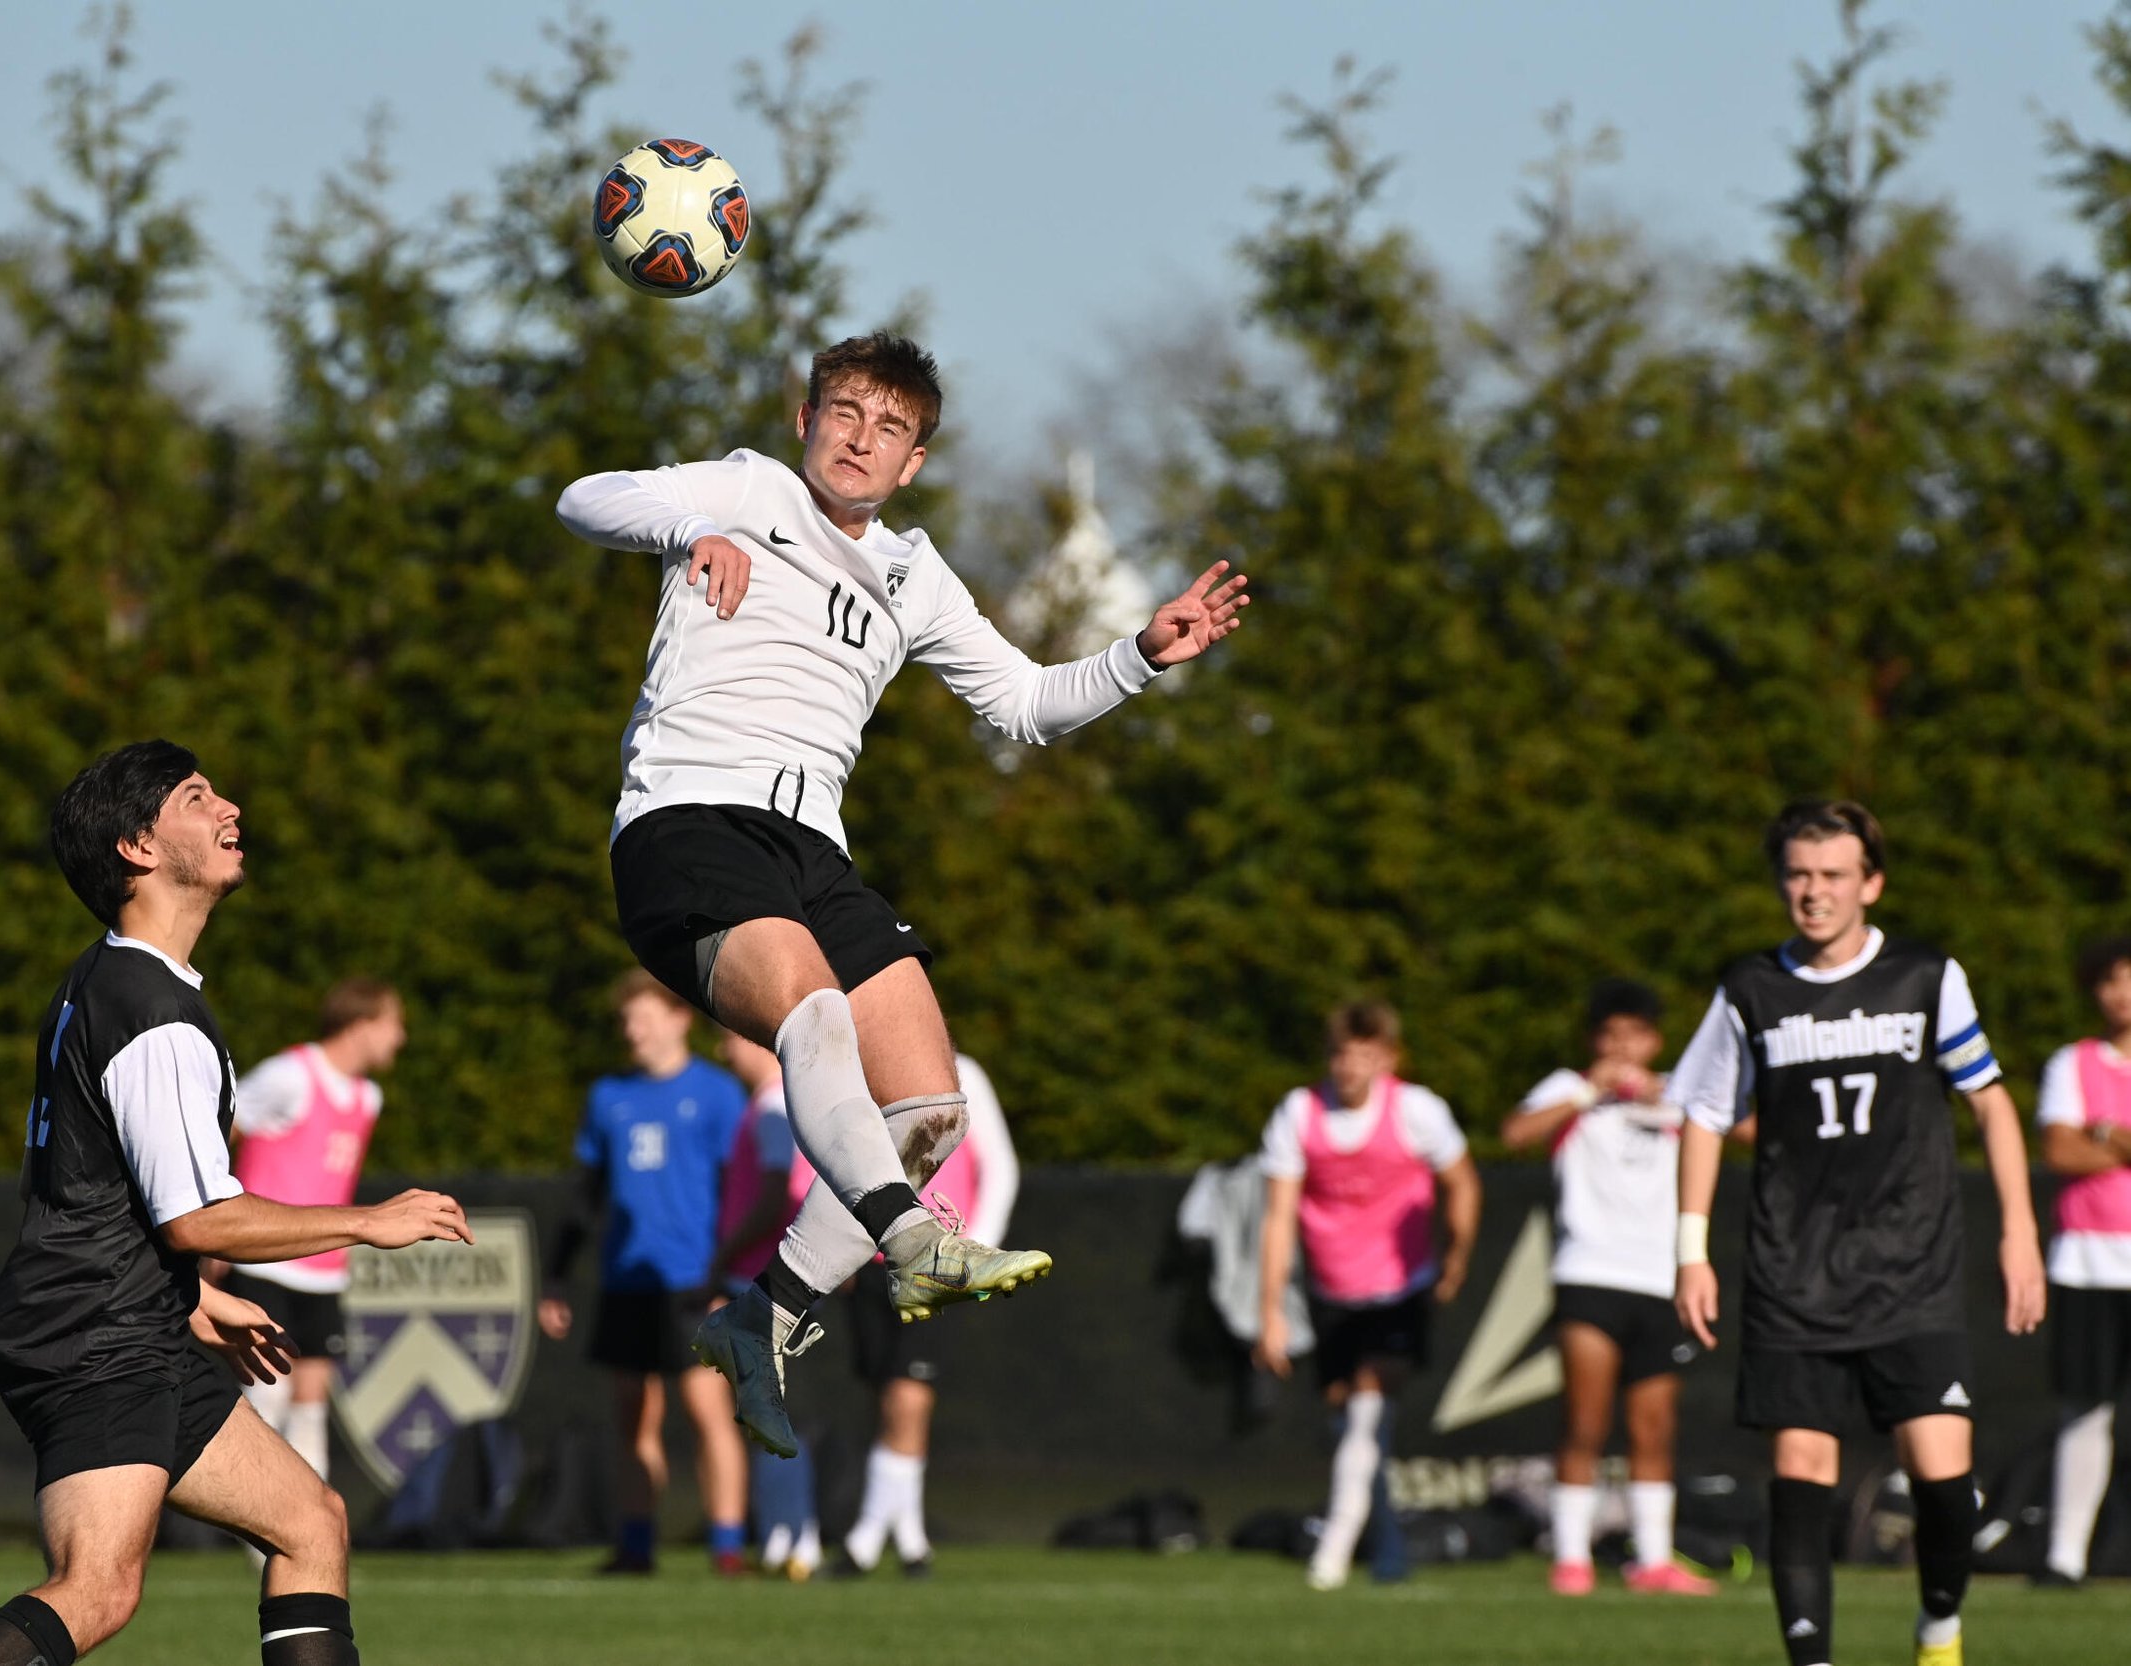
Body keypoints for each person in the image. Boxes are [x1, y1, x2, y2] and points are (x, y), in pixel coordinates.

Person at [555, 331, 1248, 1459]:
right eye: (844, 411)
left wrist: (1140, 654)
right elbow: (583, 501)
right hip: (686, 821)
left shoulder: (914, 574)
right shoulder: (749, 488)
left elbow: (1022, 702)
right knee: (812, 1014)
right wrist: (702, 526)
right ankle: (911, 1239)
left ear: (913, 461)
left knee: (929, 1112)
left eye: (889, 427)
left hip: (811, 850)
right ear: (806, 417)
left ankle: (759, 1316)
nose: (860, 437)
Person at [0, 742, 469, 1666]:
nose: (231, 808)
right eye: (197, 797)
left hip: (123, 1323)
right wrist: (366, 1221)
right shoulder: (151, 1012)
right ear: (138, 846)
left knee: (311, 1520)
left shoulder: (110, 984)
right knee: (98, 1588)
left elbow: (90, 1189)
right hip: (96, 1339)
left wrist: (189, 1297)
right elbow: (198, 1219)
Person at [1668, 799, 2044, 1666]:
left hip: (1912, 1268)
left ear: (1870, 883)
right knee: (1801, 1477)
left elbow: (1988, 1100)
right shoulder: (1749, 990)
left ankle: (1939, 1629)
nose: (1814, 892)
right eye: (1798, 874)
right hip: (1791, 1273)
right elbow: (1701, 1116)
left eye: (1834, 875)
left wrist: (2019, 1231)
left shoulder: (1924, 976)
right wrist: (1691, 1251)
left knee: (1946, 1485)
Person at [1502, 979, 1724, 1597]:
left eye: (1635, 1034)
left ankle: (1652, 1560)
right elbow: (1516, 1133)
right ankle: (1571, 1557)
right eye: (1611, 1034)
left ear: (1655, 1040)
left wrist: (1674, 1096)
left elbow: (1749, 1128)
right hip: (1590, 1274)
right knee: (1586, 1422)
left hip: (1660, 1281)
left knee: (1654, 1428)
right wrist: (1589, 1091)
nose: (1624, 1046)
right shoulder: (1569, 1089)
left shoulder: (1678, 1093)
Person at [1253, 1000, 1482, 1590]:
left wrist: (1454, 1257)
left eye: (1364, 1055)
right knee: (1349, 1422)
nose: (1350, 1067)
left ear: (1387, 1059)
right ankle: (1389, 1550)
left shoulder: (1418, 1110)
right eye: (1341, 1054)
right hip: (1332, 1293)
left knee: (1366, 1416)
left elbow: (1462, 1183)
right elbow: (1278, 1218)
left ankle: (1332, 1555)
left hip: (1399, 1290)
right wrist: (1269, 1312)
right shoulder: (1298, 1113)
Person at [539, 971, 751, 1574]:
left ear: (679, 1019)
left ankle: (728, 1547)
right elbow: (588, 1196)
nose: (633, 1029)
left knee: (708, 1410)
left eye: (645, 1016)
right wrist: (556, 1277)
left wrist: (726, 1279)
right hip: (624, 1281)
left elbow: (738, 1193)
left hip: (694, 1281)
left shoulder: (717, 1095)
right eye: (627, 1019)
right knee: (633, 1415)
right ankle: (637, 1546)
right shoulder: (609, 1096)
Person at [834, 1052, 1020, 1577]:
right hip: (870, 1262)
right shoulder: (851, 1072)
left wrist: (971, 1253)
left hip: (935, 1258)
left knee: (908, 1397)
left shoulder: (962, 1073)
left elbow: (999, 1166)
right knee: (887, 1397)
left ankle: (864, 1544)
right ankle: (911, 1542)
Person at [219, 979, 408, 1485]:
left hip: (324, 1272)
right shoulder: (290, 1075)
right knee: (267, 1393)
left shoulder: (368, 1097)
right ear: (361, 1023)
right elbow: (220, 1130)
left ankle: (310, 1523)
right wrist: (216, 1223)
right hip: (265, 1259)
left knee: (311, 1403)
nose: (400, 1038)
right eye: (394, 1024)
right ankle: (256, 1522)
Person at [2034, 934, 2131, 1587]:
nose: (2121, 995)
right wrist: (2107, 1141)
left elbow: (2090, 1140)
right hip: (2089, 1262)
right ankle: (2064, 1557)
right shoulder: (2073, 1063)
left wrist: (2106, 1134)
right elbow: (2060, 1151)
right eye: (2110, 981)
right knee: (2086, 1407)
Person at [710, 1030, 823, 1578]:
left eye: (729, 1037)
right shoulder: (768, 1102)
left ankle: (798, 1539)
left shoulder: (777, 1102)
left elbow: (779, 1193)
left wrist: (723, 1254)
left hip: (766, 1277)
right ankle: (785, 1539)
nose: (724, 1050)